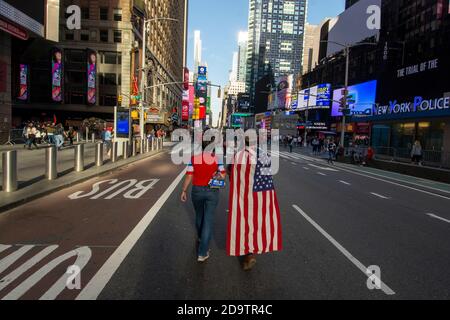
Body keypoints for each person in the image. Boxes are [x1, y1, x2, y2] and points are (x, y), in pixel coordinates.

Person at [227, 137, 282, 271]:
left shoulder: (239, 156)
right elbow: (268, 177)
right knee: (257, 223)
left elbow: (230, 172)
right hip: (260, 197)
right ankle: (251, 252)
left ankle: (248, 253)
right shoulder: (264, 156)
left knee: (243, 222)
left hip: (243, 194)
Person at [180, 138, 226, 262]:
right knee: (208, 220)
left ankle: (200, 237)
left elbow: (189, 175)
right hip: (212, 190)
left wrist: (184, 190)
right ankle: (202, 252)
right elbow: (222, 175)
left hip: (197, 191)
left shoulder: (194, 159)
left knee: (199, 215)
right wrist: (215, 174)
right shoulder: (217, 159)